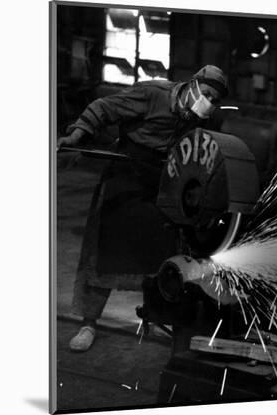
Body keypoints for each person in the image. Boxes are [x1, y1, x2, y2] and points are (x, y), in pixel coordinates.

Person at [57, 65, 229, 352]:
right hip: (125, 175)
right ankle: (88, 323)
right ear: (193, 84)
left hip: (160, 184)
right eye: (207, 93)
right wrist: (78, 135)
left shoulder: (198, 118)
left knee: (163, 255)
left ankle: (161, 319)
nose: (208, 102)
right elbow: (104, 108)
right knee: (104, 252)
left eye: (215, 99)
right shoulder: (153, 94)